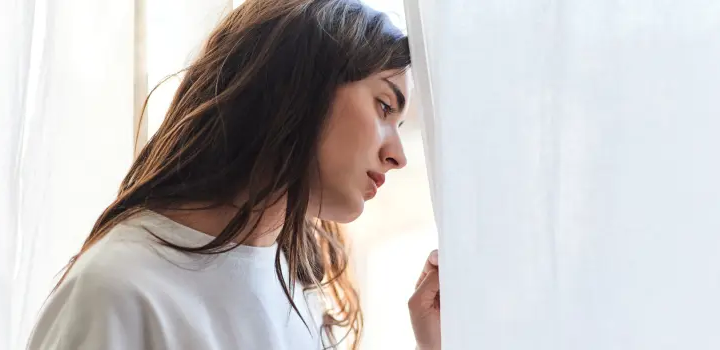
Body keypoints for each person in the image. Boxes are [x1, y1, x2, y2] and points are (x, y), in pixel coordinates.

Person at [27, 0, 441, 349]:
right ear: (299, 86)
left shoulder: (302, 289)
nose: (398, 156)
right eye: (385, 107)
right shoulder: (119, 291)